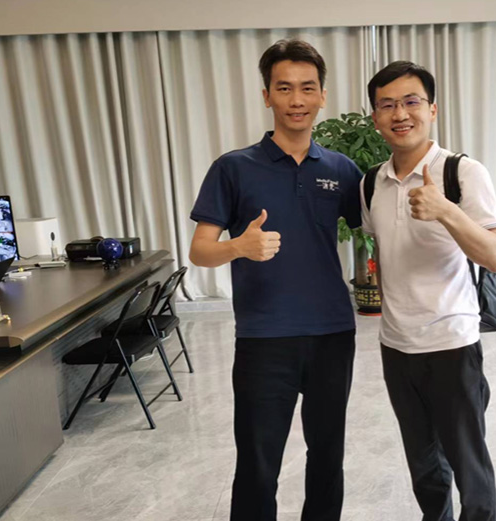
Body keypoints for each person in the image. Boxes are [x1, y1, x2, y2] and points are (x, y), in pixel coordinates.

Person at [188, 39, 362, 521]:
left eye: (307, 88)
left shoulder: (342, 170)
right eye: (284, 88)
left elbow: (380, 231)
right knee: (258, 465)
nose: (296, 100)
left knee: (327, 457)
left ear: (322, 95)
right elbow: (199, 250)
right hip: (265, 338)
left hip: (332, 334)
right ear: (266, 96)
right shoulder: (233, 168)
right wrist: (238, 247)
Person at [361, 61, 496, 521]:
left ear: (432, 109)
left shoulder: (462, 172)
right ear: (375, 117)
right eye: (387, 105)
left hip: (451, 345)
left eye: (411, 102)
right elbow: (384, 254)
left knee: (469, 467)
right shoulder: (371, 182)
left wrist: (446, 211)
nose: (400, 114)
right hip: (396, 347)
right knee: (424, 468)